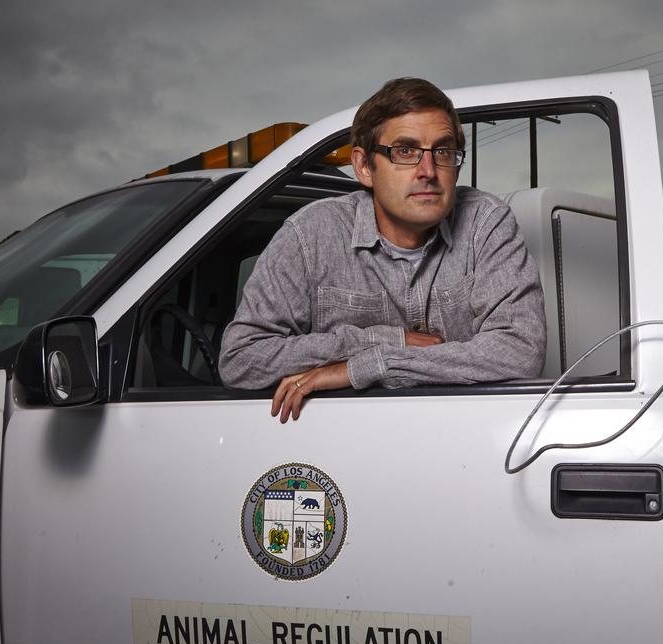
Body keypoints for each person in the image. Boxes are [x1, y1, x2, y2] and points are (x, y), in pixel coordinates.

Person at [219, 77, 547, 421]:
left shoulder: (486, 222)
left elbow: (520, 351)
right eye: (405, 151)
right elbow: (242, 359)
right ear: (364, 167)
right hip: (351, 447)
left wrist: (368, 366)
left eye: (443, 151)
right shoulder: (311, 235)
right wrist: (385, 339)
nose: (428, 171)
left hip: (467, 441)